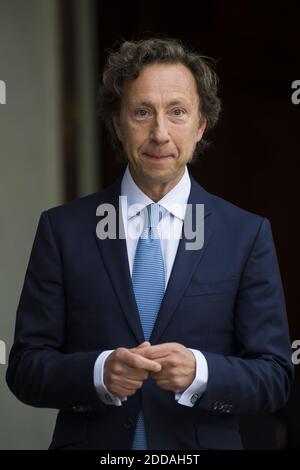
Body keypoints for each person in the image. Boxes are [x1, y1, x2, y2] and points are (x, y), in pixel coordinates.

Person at [6, 38, 294, 450]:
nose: (159, 133)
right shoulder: (62, 230)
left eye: (177, 112)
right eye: (142, 112)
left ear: (200, 125)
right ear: (118, 124)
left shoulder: (246, 235)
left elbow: (275, 377)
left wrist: (200, 372)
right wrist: (99, 372)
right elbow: (25, 368)